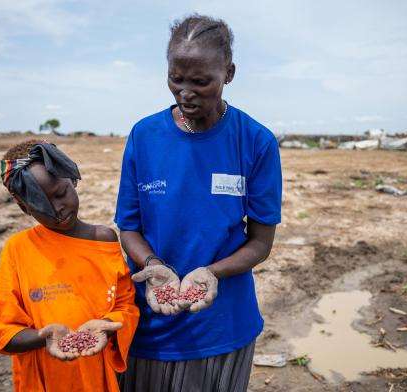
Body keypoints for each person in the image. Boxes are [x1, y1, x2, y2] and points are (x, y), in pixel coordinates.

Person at [115, 14, 282, 392]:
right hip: (151, 319)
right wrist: (154, 266)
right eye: (176, 79)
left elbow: (260, 242)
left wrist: (212, 273)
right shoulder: (144, 136)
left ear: (229, 73)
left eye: (201, 81)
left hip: (222, 324)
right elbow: (129, 227)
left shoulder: (255, 141)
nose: (185, 92)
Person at [0, 140, 139, 392]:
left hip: (99, 374)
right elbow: (4, 329)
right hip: (46, 379)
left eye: (60, 194)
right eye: (41, 205)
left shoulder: (103, 239)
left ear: (73, 180)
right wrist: (43, 336)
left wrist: (108, 325)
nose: (57, 209)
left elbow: (125, 304)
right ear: (24, 207)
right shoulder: (18, 250)